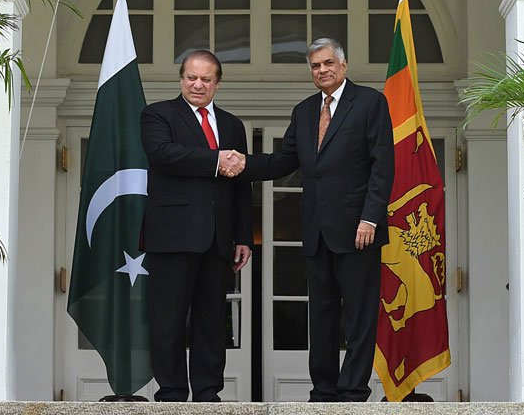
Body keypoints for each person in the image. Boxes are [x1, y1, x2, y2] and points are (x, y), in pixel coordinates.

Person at [231, 38, 394, 402]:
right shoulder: (304, 111)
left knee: (358, 318)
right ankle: (322, 391)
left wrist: (370, 218)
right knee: (319, 316)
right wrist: (244, 164)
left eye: (327, 63)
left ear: (344, 64)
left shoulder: (369, 103)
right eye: (315, 66)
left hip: (358, 231)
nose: (322, 71)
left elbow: (383, 166)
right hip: (316, 231)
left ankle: (352, 392)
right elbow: (284, 160)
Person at [139, 50, 252, 402]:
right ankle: (171, 393)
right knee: (168, 320)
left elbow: (241, 185)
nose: (197, 84)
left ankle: (207, 394)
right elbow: (163, 154)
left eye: (205, 79)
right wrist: (217, 159)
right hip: (172, 236)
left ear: (217, 82)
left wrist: (244, 236)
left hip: (218, 238)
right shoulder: (158, 114)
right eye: (191, 77)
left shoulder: (232, 125)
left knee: (212, 322)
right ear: (181, 79)